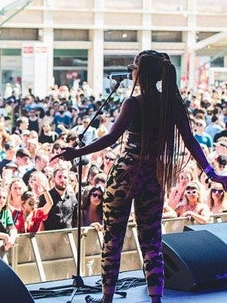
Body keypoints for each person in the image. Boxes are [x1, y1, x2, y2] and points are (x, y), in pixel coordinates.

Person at [54, 50, 227, 303]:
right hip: (153, 176)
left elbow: (111, 138)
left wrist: (77, 152)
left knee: (113, 239)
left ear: (140, 73)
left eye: (134, 66)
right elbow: (190, 141)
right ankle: (156, 299)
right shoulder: (172, 105)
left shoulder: (133, 103)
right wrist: (212, 173)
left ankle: (107, 298)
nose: (131, 70)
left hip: (126, 174)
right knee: (151, 243)